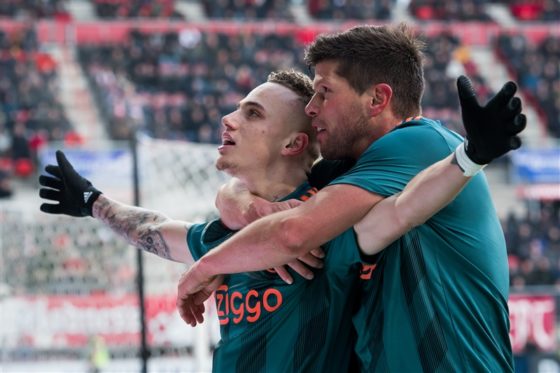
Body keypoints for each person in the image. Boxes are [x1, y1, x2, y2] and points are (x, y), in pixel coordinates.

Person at [176, 24, 526, 372]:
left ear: (377, 99)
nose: (312, 109)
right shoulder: (348, 170)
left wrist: (207, 265)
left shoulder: (420, 144)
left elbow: (293, 233)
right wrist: (246, 204)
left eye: (325, 92)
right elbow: (246, 190)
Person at [39, 70, 363, 372]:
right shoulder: (229, 227)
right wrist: (93, 202)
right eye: (238, 109)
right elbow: (153, 230)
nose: (228, 119)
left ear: (293, 144)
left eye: (252, 113)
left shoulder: (329, 215)